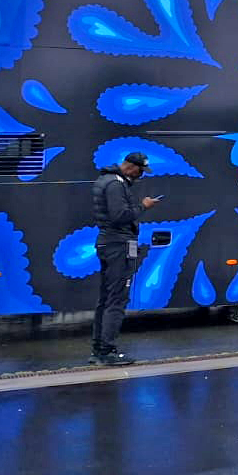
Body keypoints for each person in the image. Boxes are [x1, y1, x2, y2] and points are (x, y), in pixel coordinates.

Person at [90, 150, 161, 365]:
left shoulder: (106, 179)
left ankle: (99, 348)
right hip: (118, 245)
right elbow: (120, 216)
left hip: (108, 243)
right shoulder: (115, 184)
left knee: (106, 298)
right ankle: (107, 351)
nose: (141, 175)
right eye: (141, 171)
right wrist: (143, 206)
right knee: (117, 298)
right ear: (131, 167)